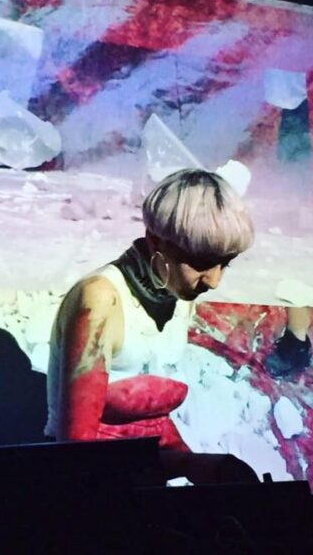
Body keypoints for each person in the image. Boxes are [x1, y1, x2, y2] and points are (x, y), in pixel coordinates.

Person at [46, 168, 258, 482]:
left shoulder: (178, 293)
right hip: (92, 485)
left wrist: (204, 466)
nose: (214, 281)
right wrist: (186, 466)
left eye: (225, 263)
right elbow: (78, 452)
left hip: (139, 476)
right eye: (202, 261)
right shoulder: (101, 298)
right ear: (155, 240)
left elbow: (149, 421)